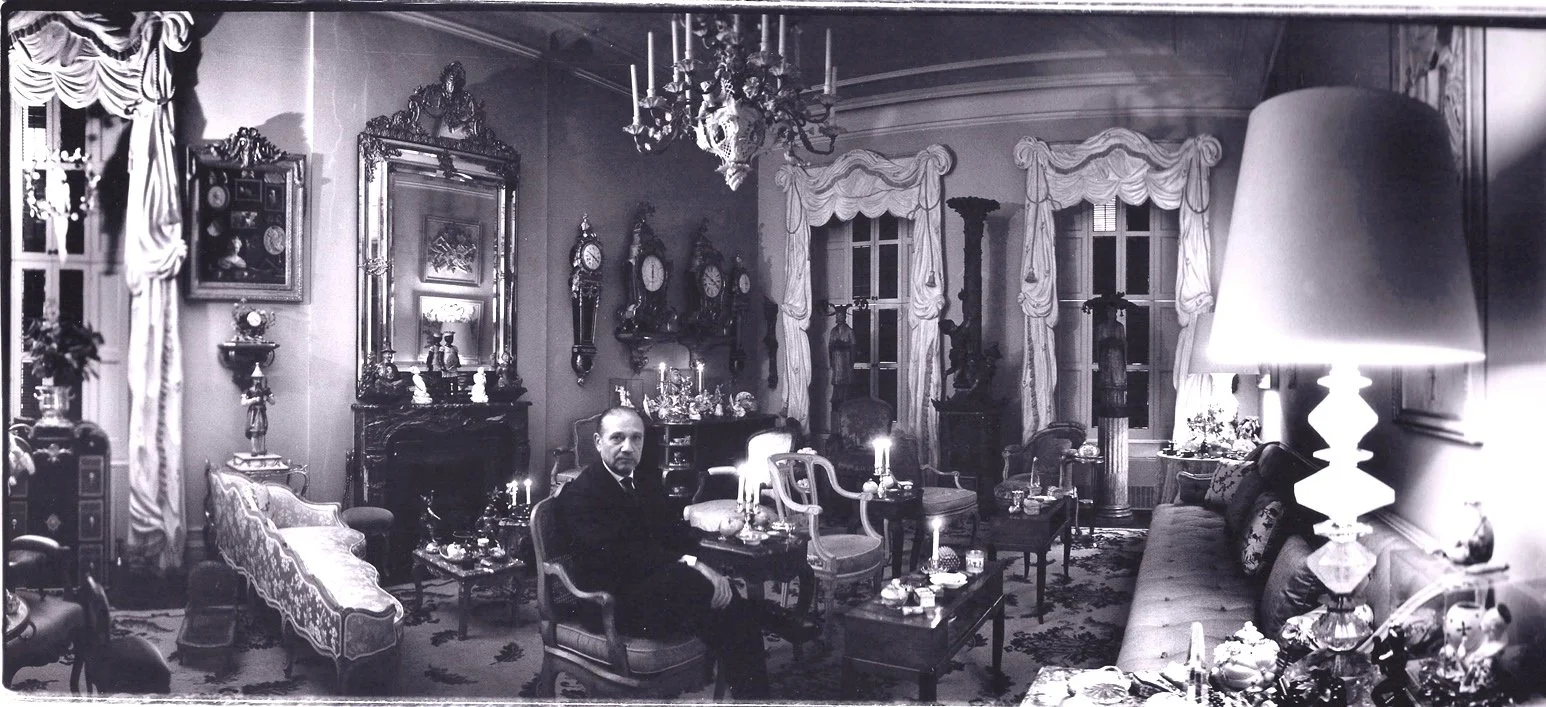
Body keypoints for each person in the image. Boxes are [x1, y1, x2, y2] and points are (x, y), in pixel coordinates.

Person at [552, 406, 769, 699]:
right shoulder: (583, 493)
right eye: (617, 438)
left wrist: (711, 543)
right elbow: (617, 556)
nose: (628, 447)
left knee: (727, 608)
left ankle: (753, 686)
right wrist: (694, 564)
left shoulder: (645, 478)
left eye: (636, 438)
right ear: (598, 442)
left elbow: (673, 530)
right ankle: (763, 628)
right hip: (609, 602)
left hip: (653, 586)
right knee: (714, 598)